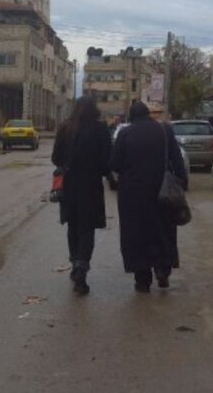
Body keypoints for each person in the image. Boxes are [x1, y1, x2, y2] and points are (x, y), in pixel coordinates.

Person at [110, 101, 187, 292]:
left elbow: (114, 163)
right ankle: (163, 270)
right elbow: (177, 159)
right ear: (148, 114)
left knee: (137, 235)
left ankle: (142, 279)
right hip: (161, 192)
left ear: (131, 116)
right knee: (162, 231)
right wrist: (180, 184)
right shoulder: (164, 130)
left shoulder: (125, 133)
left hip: (133, 195)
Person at [51, 95, 112, 295]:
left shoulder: (66, 128)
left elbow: (55, 158)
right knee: (87, 229)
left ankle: (75, 262)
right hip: (91, 185)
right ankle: (81, 269)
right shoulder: (100, 129)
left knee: (73, 225)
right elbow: (106, 163)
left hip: (69, 185)